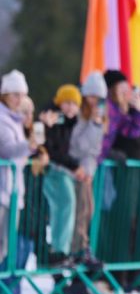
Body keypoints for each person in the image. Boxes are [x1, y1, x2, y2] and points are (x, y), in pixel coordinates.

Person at [37, 85, 85, 267]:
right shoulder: (51, 118)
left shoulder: (69, 122)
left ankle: (61, 249)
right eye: (67, 103)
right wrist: (74, 165)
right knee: (65, 204)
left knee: (67, 207)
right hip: (51, 170)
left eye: (75, 104)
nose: (71, 107)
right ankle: (58, 250)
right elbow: (48, 147)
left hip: (61, 169)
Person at [0, 71, 36, 294]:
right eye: (14, 94)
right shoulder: (2, 119)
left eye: (21, 95)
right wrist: (28, 145)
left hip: (12, 191)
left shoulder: (15, 119)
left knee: (4, 246)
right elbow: (7, 150)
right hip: (2, 191)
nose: (18, 99)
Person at [69, 72, 107, 269]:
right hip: (75, 170)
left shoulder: (98, 120)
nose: (95, 102)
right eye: (92, 97)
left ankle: (83, 247)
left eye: (99, 99)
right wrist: (93, 124)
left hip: (87, 171)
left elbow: (95, 150)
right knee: (81, 210)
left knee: (88, 209)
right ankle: (79, 248)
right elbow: (80, 146)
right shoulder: (80, 118)